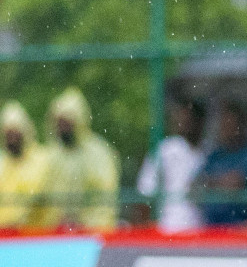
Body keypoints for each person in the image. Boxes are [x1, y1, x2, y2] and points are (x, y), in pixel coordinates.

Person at [36, 87, 118, 232]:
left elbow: (104, 199)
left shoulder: (98, 153)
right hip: (55, 232)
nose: (62, 129)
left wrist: (87, 225)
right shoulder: (52, 155)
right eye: (59, 123)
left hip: (90, 233)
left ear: (79, 122)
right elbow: (41, 196)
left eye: (66, 123)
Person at [135, 99, 206, 233]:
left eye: (191, 119)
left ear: (201, 121)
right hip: (169, 229)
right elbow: (145, 194)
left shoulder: (209, 152)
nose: (187, 123)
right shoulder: (166, 150)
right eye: (184, 118)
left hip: (202, 231)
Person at [196, 104, 247, 226]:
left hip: (241, 227)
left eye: (231, 124)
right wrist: (218, 182)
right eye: (224, 124)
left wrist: (211, 182)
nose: (226, 129)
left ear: (242, 126)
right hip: (212, 227)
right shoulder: (215, 155)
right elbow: (196, 184)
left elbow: (235, 183)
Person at [0, 101, 50, 230]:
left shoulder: (42, 160)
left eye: (15, 134)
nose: (11, 140)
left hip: (36, 235)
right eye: (8, 135)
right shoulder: (2, 163)